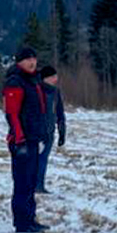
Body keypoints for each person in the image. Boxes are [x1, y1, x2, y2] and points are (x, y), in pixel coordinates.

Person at [3, 45, 50, 233]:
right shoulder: (15, 82)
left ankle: (30, 218)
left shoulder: (34, 80)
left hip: (33, 138)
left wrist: (42, 134)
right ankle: (22, 222)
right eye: (27, 59)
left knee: (31, 182)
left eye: (34, 58)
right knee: (22, 183)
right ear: (19, 62)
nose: (32, 62)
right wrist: (19, 140)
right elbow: (12, 113)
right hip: (21, 141)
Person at [35, 63, 65, 194]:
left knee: (43, 159)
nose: (55, 79)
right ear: (45, 78)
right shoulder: (36, 90)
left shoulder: (55, 92)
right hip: (36, 133)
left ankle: (39, 185)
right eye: (53, 76)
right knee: (36, 160)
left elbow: (60, 113)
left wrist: (62, 131)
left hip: (49, 132)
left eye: (56, 76)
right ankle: (34, 185)